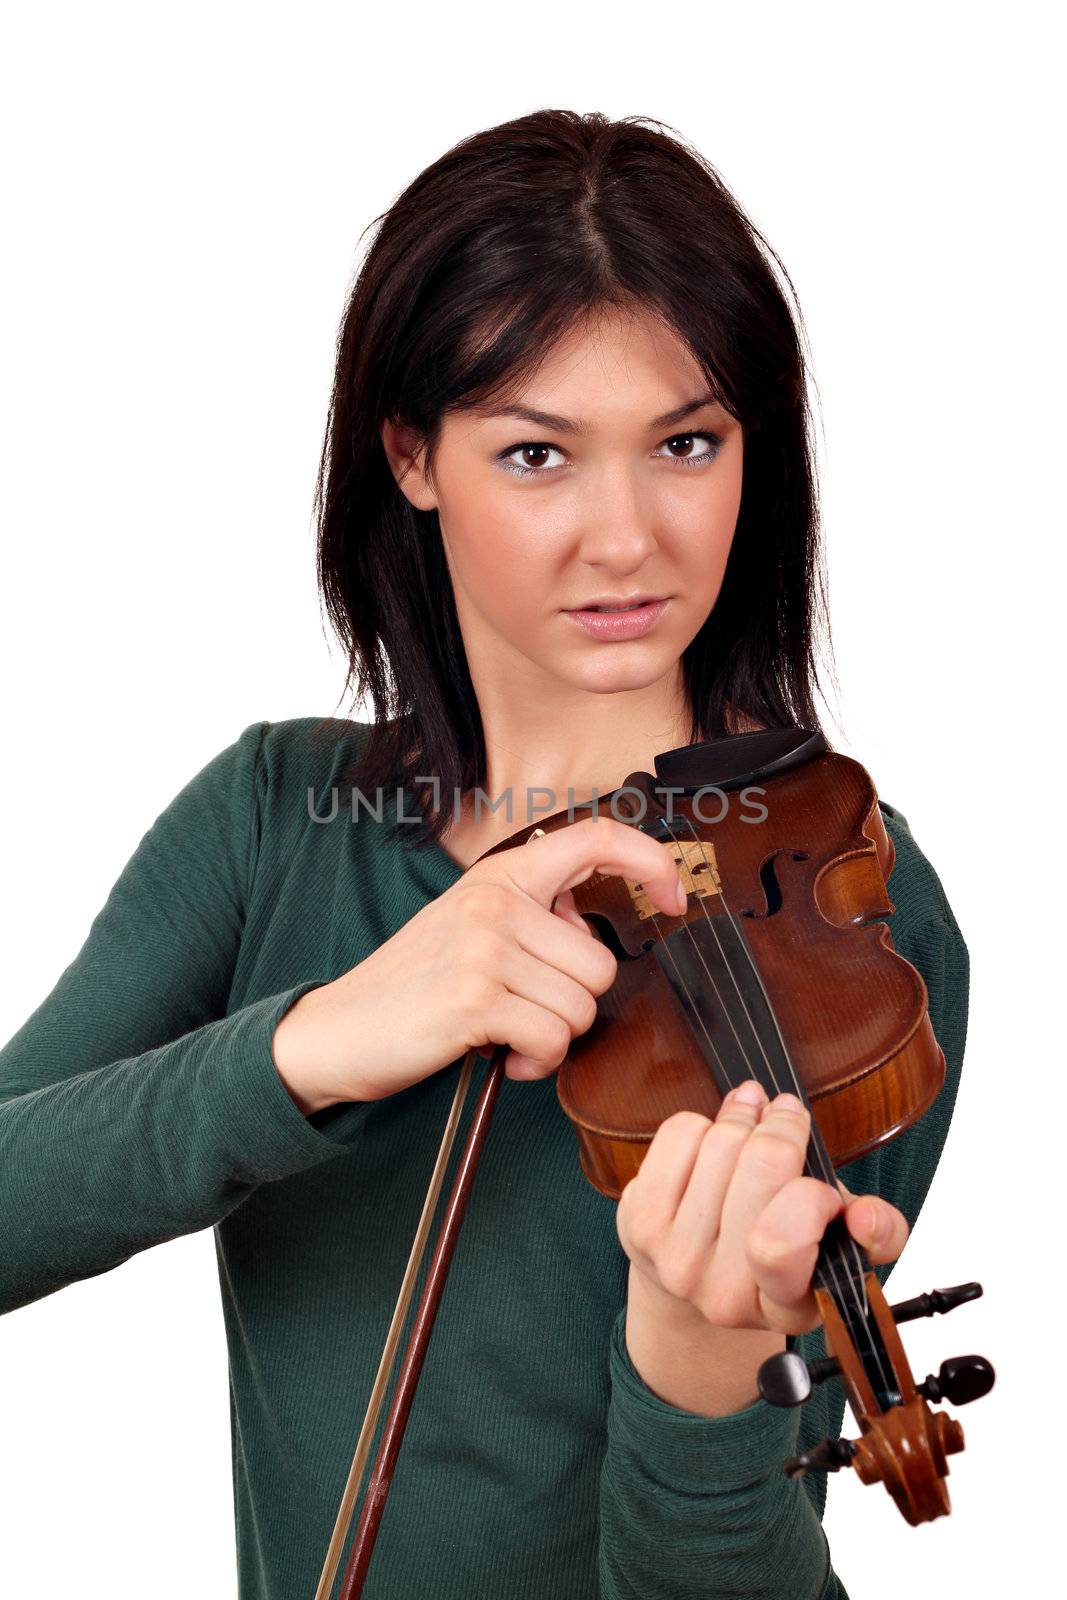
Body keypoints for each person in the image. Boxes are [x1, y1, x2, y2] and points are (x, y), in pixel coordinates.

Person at [0, 109, 969, 1599]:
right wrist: (320, 1040)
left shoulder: (857, 920)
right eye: (536, 454)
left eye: (687, 443)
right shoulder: (272, 822)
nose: (627, 538)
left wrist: (700, 1383)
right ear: (412, 455)